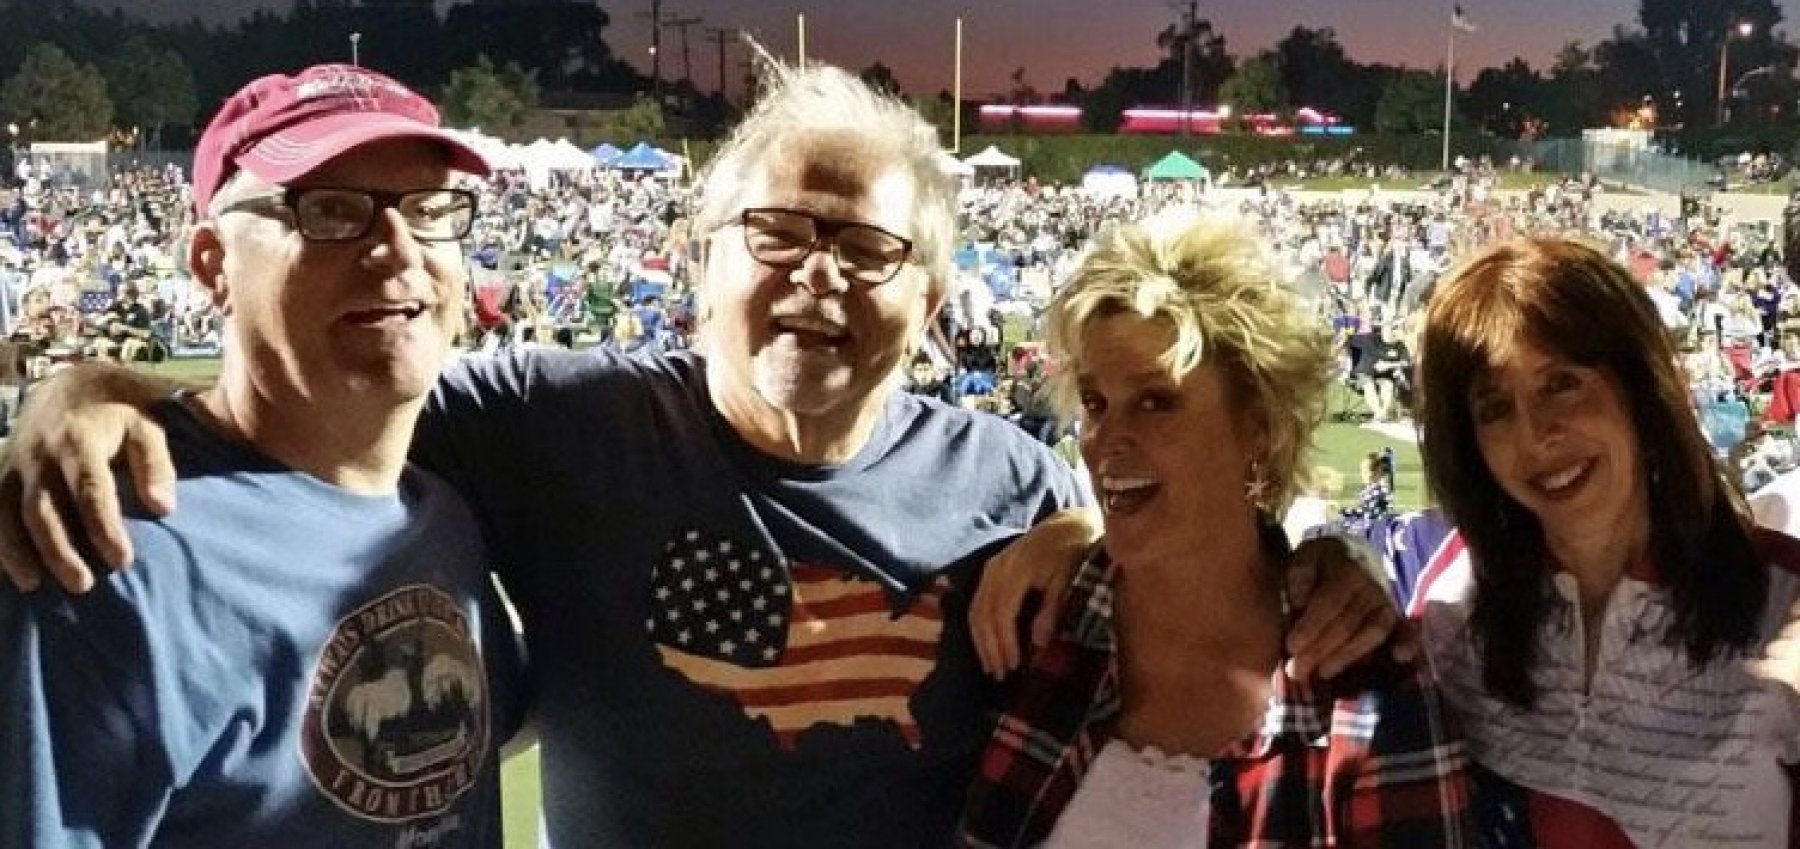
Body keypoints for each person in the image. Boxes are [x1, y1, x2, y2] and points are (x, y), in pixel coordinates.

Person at [0, 57, 1395, 847]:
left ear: (934, 299)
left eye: (867, 248)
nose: (817, 277)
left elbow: (1199, 604)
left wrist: (1316, 570)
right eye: (776, 234)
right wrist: (87, 385)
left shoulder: (1016, 490)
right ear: (698, 260)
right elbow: (326, 390)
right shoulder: (551, 418)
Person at [0, 63, 518, 847]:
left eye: (429, 208)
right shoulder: (99, 556)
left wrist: (88, 379)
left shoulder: (444, 518)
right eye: (331, 209)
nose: (397, 247)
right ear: (213, 264)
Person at [959, 214, 1472, 847]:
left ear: (1259, 426)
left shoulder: (1362, 683)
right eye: (1095, 404)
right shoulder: (1034, 621)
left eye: (1155, 401)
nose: (1106, 440)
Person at [1409, 236, 1800, 847]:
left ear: (1641, 387)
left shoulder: (1784, 597)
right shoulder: (1449, 599)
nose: (1537, 435)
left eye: (1561, 384)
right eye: (1495, 408)